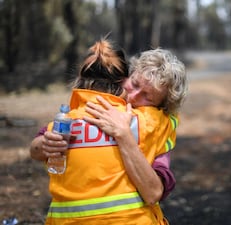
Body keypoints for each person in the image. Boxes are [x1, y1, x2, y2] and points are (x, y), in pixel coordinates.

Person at [29, 39, 186, 224]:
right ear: (126, 75)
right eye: (134, 84)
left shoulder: (154, 122)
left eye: (147, 97)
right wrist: (44, 144)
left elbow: (154, 192)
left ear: (160, 107)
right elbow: (36, 148)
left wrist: (124, 135)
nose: (134, 96)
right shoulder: (85, 111)